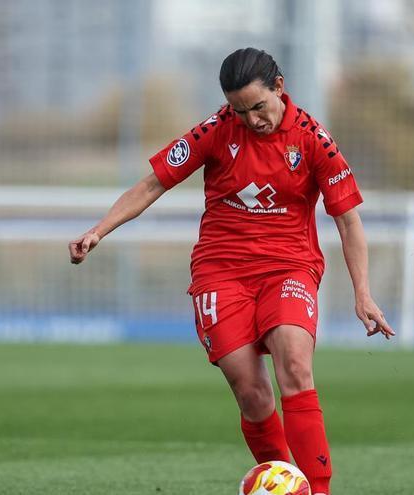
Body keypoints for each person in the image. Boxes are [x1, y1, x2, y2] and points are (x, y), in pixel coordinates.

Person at [69, 47, 394, 495]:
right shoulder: (217, 130)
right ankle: (284, 483)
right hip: (221, 272)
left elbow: (348, 220)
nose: (251, 119)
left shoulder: (314, 140)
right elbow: (152, 184)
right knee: (251, 391)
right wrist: (99, 231)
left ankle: (318, 491)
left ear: (279, 88)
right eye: (240, 110)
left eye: (258, 107)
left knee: (296, 367)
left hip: (289, 267)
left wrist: (363, 293)